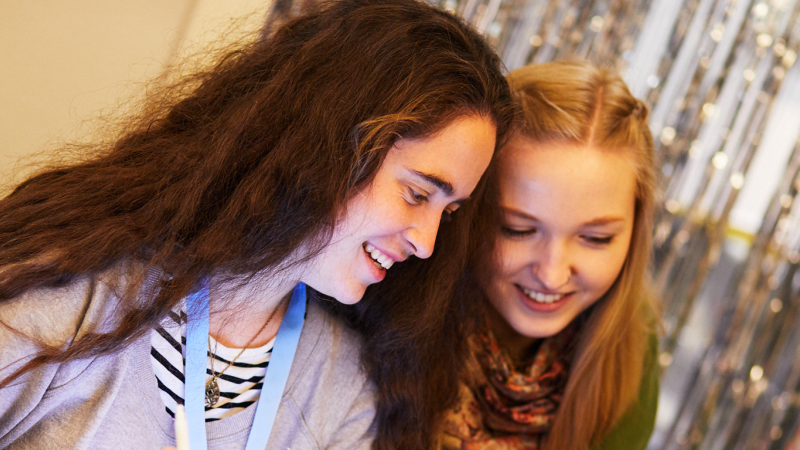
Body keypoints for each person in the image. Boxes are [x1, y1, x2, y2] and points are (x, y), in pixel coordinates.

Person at [0, 0, 514, 448]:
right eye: (417, 194)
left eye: (447, 213)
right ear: (326, 147)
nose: (427, 244)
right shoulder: (67, 295)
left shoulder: (340, 392)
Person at [441, 60, 660, 450]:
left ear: (635, 230)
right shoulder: (389, 299)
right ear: (467, 210)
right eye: (518, 229)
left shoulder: (630, 345)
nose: (552, 274)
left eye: (595, 238)